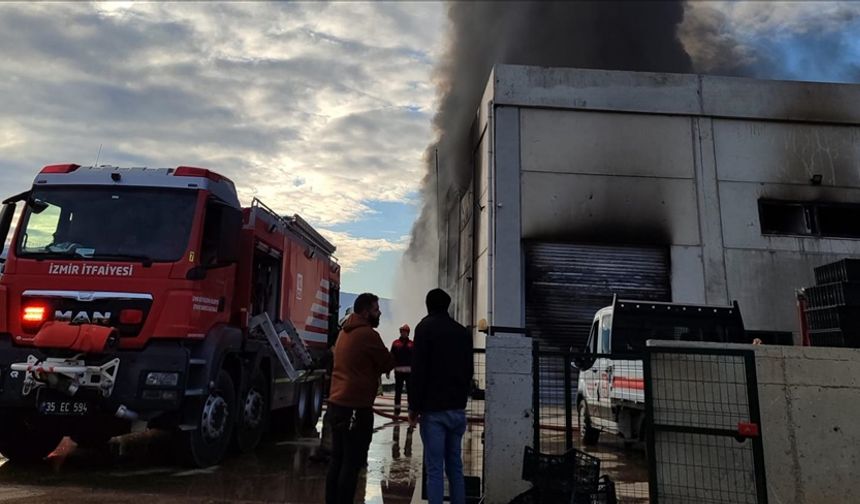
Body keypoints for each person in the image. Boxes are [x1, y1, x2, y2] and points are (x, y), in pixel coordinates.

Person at [325, 293, 395, 504]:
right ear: (365, 312)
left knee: (337, 459)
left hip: (336, 405)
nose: (379, 312)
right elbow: (387, 361)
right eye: (376, 309)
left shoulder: (344, 333)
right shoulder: (367, 335)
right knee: (352, 462)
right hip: (355, 408)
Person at [408, 289, 473, 504]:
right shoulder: (462, 333)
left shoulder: (424, 328)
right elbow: (469, 370)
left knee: (435, 469)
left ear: (428, 305)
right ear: (447, 306)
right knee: (455, 465)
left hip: (433, 411)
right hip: (457, 409)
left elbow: (418, 371)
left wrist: (414, 407)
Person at [389, 324, 414, 417]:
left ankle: (410, 410)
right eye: (403, 331)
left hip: (409, 372)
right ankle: (397, 410)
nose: (404, 333)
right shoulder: (395, 343)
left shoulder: (412, 344)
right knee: (398, 392)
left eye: (406, 331)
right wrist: (388, 369)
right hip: (398, 372)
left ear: (408, 333)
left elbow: (416, 358)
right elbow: (391, 357)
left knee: (410, 392)